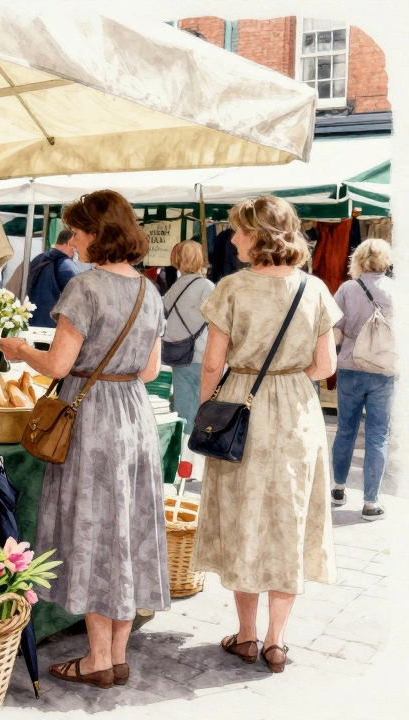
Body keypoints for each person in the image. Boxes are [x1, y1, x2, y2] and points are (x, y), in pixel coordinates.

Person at [0, 190, 167, 689]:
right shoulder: (148, 291)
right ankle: (115, 654)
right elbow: (151, 369)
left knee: (95, 531)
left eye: (77, 230)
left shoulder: (87, 288)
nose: (72, 239)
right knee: (124, 532)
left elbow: (58, 366)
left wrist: (20, 349)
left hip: (91, 419)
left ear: (97, 233)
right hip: (133, 414)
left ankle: (97, 659)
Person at [191, 195, 339, 674]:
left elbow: (212, 362)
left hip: (241, 406)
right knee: (289, 520)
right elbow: (326, 366)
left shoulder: (232, 288)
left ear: (257, 235)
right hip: (297, 412)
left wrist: (207, 409)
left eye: (238, 230)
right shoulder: (315, 289)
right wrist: (287, 379)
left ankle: (248, 636)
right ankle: (277, 642)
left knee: (243, 516)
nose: (232, 238)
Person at [330, 238, 395, 520]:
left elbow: (334, 331)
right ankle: (370, 503)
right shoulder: (397, 290)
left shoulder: (347, 288)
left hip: (351, 366)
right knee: (378, 434)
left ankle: (338, 489)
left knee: (345, 429)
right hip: (384, 369)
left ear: (358, 259)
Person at [162, 240, 215, 435]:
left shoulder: (175, 286)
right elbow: (217, 321)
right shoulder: (206, 286)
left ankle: (183, 455)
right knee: (204, 410)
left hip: (179, 354)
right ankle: (196, 453)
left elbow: (163, 311)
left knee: (184, 410)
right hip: (203, 355)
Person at [6, 229, 82, 326]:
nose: (76, 250)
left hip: (29, 320)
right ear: (69, 243)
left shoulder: (38, 259)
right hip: (51, 325)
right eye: (75, 245)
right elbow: (78, 296)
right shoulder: (66, 265)